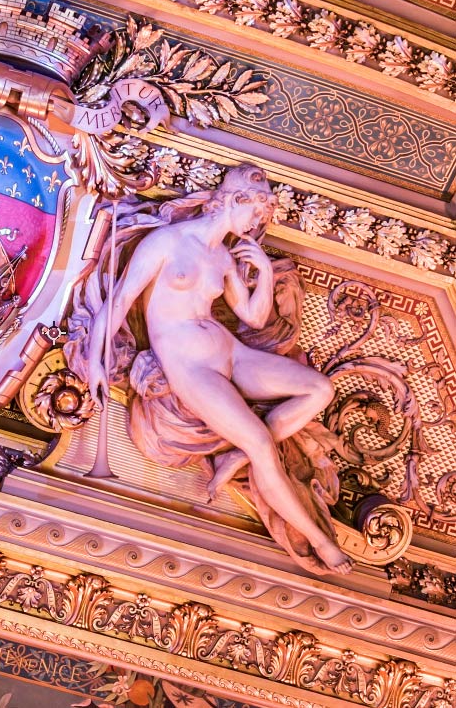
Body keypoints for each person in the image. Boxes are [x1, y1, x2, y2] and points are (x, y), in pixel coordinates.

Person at [68, 165, 351, 574]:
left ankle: (235, 456)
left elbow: (253, 318)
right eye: (255, 214)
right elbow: (121, 299)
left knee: (320, 389)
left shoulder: (222, 257)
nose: (257, 225)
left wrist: (266, 273)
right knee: (261, 447)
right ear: (235, 201)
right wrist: (96, 358)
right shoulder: (166, 242)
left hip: (231, 354)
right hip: (191, 368)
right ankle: (321, 542)